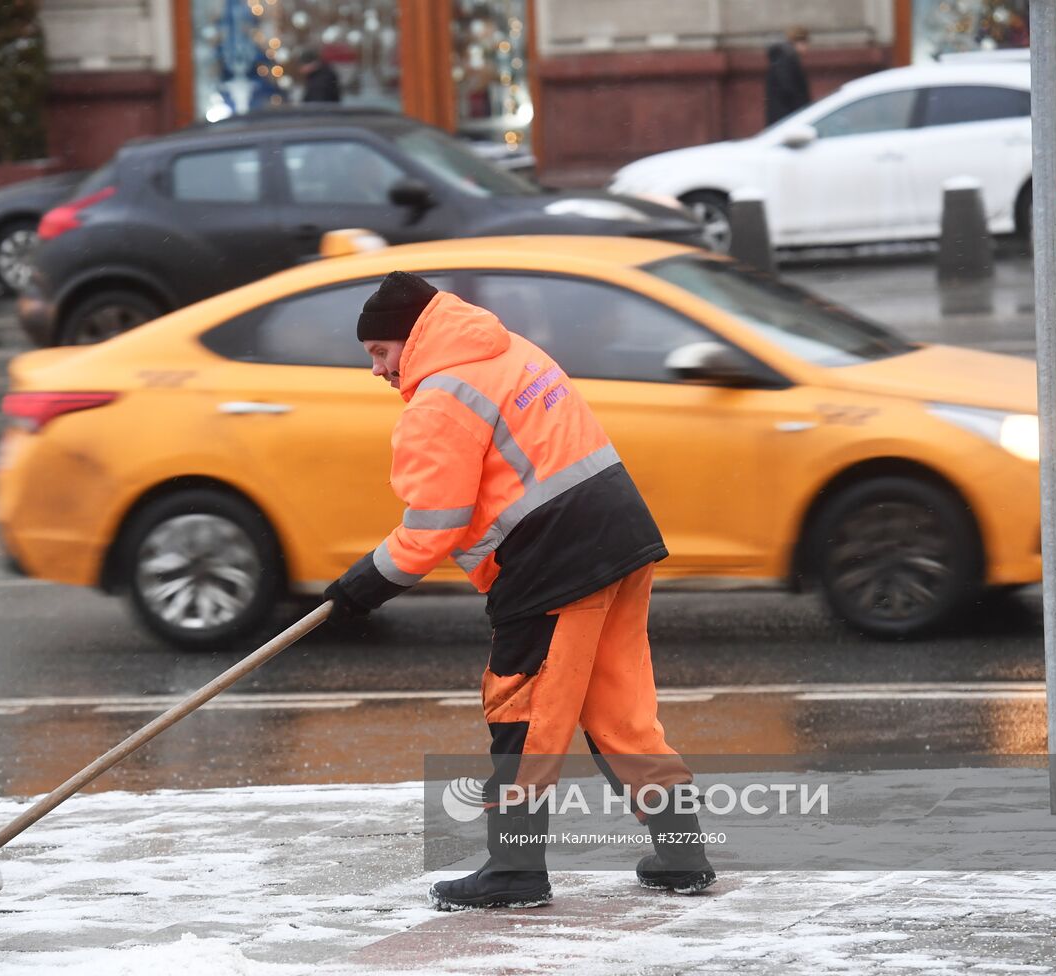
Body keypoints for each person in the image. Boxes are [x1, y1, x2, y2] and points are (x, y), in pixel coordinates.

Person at [324, 271, 716, 911]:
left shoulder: (441, 397)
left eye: (380, 353)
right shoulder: (510, 352)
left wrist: (355, 591)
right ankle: (682, 853)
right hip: (619, 536)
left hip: (553, 563)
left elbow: (432, 526)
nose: (377, 369)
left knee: (523, 715)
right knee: (619, 708)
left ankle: (513, 872)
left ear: (412, 340)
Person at [765, 26, 812, 126]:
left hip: (783, 118)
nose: (807, 48)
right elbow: (790, 90)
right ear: (797, 43)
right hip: (787, 119)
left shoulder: (783, 59)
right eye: (805, 43)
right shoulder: (787, 61)